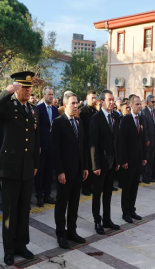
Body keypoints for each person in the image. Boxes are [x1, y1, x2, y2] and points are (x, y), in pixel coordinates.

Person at [0, 71, 40, 266]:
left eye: (29, 87)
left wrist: (36, 163)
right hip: (9, 168)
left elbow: (36, 139)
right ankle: (8, 249)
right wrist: (4, 93)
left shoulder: (34, 109)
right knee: (10, 211)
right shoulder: (8, 106)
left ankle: (21, 245)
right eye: (24, 87)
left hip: (27, 167)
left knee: (24, 209)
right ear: (16, 88)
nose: (28, 90)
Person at [51, 92, 88, 249]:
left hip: (78, 170)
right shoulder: (58, 122)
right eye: (72, 103)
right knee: (62, 203)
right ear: (65, 105)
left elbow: (83, 146)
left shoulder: (79, 121)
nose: (75, 106)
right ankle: (61, 233)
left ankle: (72, 231)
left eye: (77, 103)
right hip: (65, 172)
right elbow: (55, 149)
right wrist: (60, 171)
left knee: (74, 203)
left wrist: (85, 166)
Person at [89, 89, 120, 235]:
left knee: (108, 193)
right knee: (97, 194)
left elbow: (116, 141)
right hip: (100, 165)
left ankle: (107, 219)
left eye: (113, 100)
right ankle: (97, 220)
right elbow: (93, 144)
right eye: (109, 100)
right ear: (102, 102)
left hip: (111, 163)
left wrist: (117, 160)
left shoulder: (115, 117)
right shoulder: (96, 118)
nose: (112, 102)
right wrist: (95, 165)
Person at [119, 95, 147, 223]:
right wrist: (123, 160)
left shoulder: (141, 119)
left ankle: (132, 209)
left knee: (135, 185)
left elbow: (142, 140)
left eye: (140, 104)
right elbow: (122, 142)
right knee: (127, 186)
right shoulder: (126, 120)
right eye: (136, 104)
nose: (139, 106)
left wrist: (144, 157)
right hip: (128, 160)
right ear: (130, 106)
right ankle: (125, 212)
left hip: (138, 159)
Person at [35, 87, 58, 206]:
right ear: (43, 95)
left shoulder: (55, 109)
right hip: (42, 145)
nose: (51, 96)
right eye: (49, 94)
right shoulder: (38, 109)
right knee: (40, 171)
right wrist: (37, 144)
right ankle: (39, 195)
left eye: (52, 94)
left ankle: (47, 194)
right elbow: (36, 129)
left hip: (51, 145)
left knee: (49, 171)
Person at [79, 90, 98, 196]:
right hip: (85, 143)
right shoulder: (82, 111)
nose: (94, 100)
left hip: (93, 143)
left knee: (92, 165)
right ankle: (84, 187)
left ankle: (90, 185)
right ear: (87, 99)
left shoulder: (95, 111)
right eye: (92, 98)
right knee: (85, 166)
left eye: (95, 97)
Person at [141, 95, 155, 183]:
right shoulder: (144, 112)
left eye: (154, 102)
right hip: (148, 141)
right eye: (152, 102)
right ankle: (145, 177)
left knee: (152, 159)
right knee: (146, 159)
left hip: (154, 140)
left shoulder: (154, 112)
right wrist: (147, 139)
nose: (153, 103)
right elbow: (144, 128)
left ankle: (150, 175)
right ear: (148, 102)